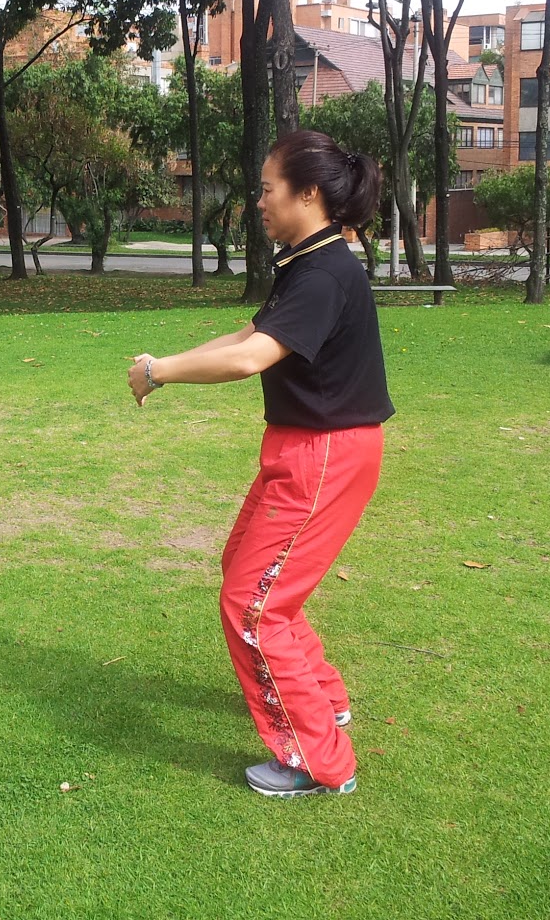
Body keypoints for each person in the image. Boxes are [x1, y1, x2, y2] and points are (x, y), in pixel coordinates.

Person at [127, 129, 392, 798]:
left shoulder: (324, 272)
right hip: (307, 449)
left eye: (268, 188)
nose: (260, 201)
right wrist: (164, 366)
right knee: (251, 576)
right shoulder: (308, 262)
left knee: (253, 603)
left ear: (308, 194)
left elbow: (251, 359)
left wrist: (161, 372)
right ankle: (323, 698)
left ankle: (318, 760)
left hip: (324, 454)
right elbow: (250, 334)